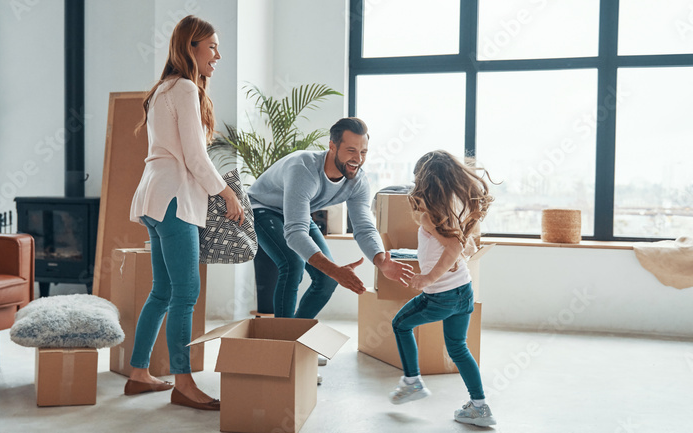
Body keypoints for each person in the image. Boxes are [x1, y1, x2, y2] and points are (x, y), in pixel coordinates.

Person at [125, 15, 243, 411]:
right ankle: (184, 383)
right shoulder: (186, 88)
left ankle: (139, 373)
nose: (217, 55)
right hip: (174, 199)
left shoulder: (163, 89)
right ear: (190, 47)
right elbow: (194, 156)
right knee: (186, 293)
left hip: (154, 198)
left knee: (162, 291)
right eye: (212, 47)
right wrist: (227, 193)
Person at [247, 117, 415, 320]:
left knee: (327, 279)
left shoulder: (358, 181)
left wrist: (381, 261)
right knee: (293, 264)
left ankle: (296, 331)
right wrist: (336, 271)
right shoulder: (304, 169)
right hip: (263, 208)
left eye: (363, 152)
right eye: (351, 150)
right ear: (332, 147)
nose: (358, 159)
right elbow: (295, 233)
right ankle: (282, 335)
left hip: (297, 213)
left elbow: (364, 227)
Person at [386, 150, 496, 427]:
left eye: (417, 180)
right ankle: (480, 407)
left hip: (440, 296)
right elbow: (461, 245)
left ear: (428, 182)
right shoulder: (458, 206)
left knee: (400, 324)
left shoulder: (431, 216)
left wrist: (428, 278)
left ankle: (412, 382)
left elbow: (455, 246)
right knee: (458, 347)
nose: (415, 186)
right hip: (463, 291)